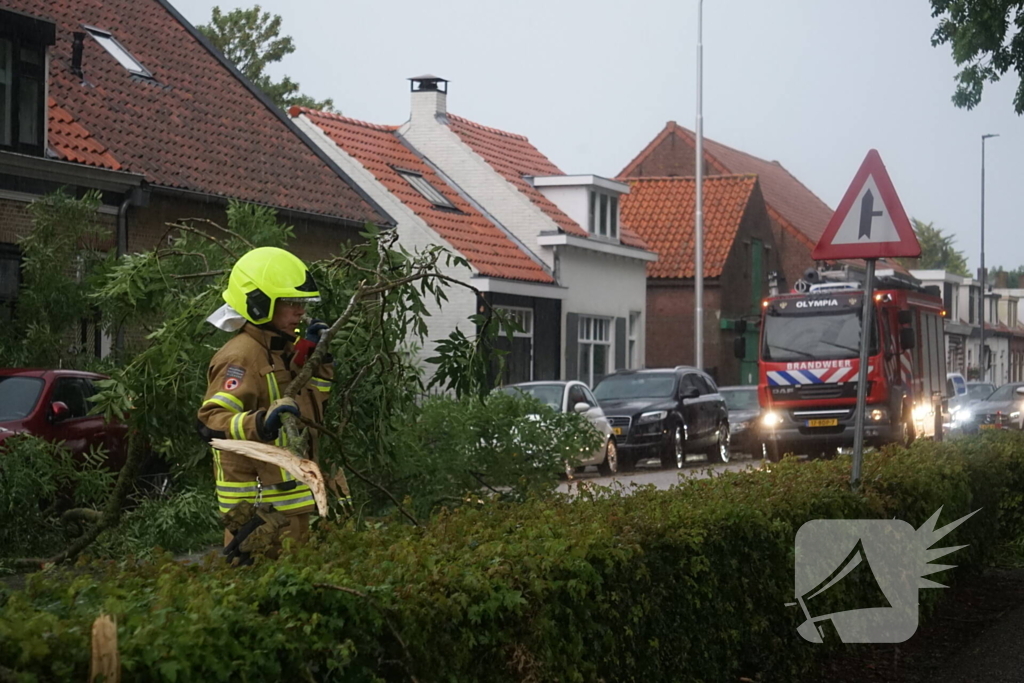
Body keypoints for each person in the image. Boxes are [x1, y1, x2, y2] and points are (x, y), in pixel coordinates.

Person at [196, 246, 334, 558]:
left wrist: (317, 360)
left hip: (291, 507)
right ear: (259, 304)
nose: (300, 312)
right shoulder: (241, 356)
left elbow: (313, 408)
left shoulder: (280, 351)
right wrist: (259, 423)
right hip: (258, 517)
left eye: (301, 303)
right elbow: (209, 423)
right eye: (290, 303)